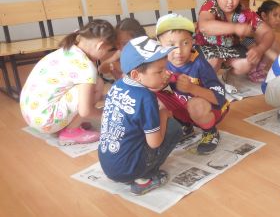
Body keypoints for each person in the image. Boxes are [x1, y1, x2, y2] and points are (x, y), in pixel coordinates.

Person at [98, 36, 182, 195]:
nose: (166, 73)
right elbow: (155, 143)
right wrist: (163, 114)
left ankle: (132, 172)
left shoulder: (117, 85)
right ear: (136, 75)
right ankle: (144, 179)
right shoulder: (146, 98)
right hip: (129, 169)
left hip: (109, 165)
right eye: (159, 71)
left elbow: (104, 120)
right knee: (174, 128)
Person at [20, 20, 115, 145]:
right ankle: (71, 131)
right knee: (98, 83)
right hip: (46, 120)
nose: (105, 55)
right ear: (100, 46)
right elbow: (85, 111)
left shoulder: (68, 49)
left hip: (30, 114)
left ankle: (69, 123)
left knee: (89, 88)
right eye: (108, 50)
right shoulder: (86, 67)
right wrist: (107, 114)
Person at [155, 14, 229, 154]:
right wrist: (160, 83)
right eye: (171, 45)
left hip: (211, 108)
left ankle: (210, 131)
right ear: (160, 44)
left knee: (196, 104)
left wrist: (192, 88)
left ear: (192, 41)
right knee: (152, 92)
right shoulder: (161, 62)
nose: (178, 51)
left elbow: (219, 98)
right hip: (184, 106)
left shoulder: (199, 64)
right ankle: (185, 126)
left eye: (185, 43)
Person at [195, 0, 274, 77]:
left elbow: (268, 32)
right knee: (213, 61)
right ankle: (208, 81)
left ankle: (227, 77)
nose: (230, 2)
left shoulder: (244, 13)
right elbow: (204, 26)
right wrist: (235, 28)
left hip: (231, 49)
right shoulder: (210, 5)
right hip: (206, 46)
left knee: (246, 64)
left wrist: (260, 49)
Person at [244, 0, 280, 82]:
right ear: (264, 16)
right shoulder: (259, 24)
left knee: (272, 44)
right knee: (256, 50)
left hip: (259, 43)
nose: (279, 19)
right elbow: (265, 49)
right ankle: (252, 72)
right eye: (275, 15)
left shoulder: (269, 30)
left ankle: (259, 69)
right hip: (247, 40)